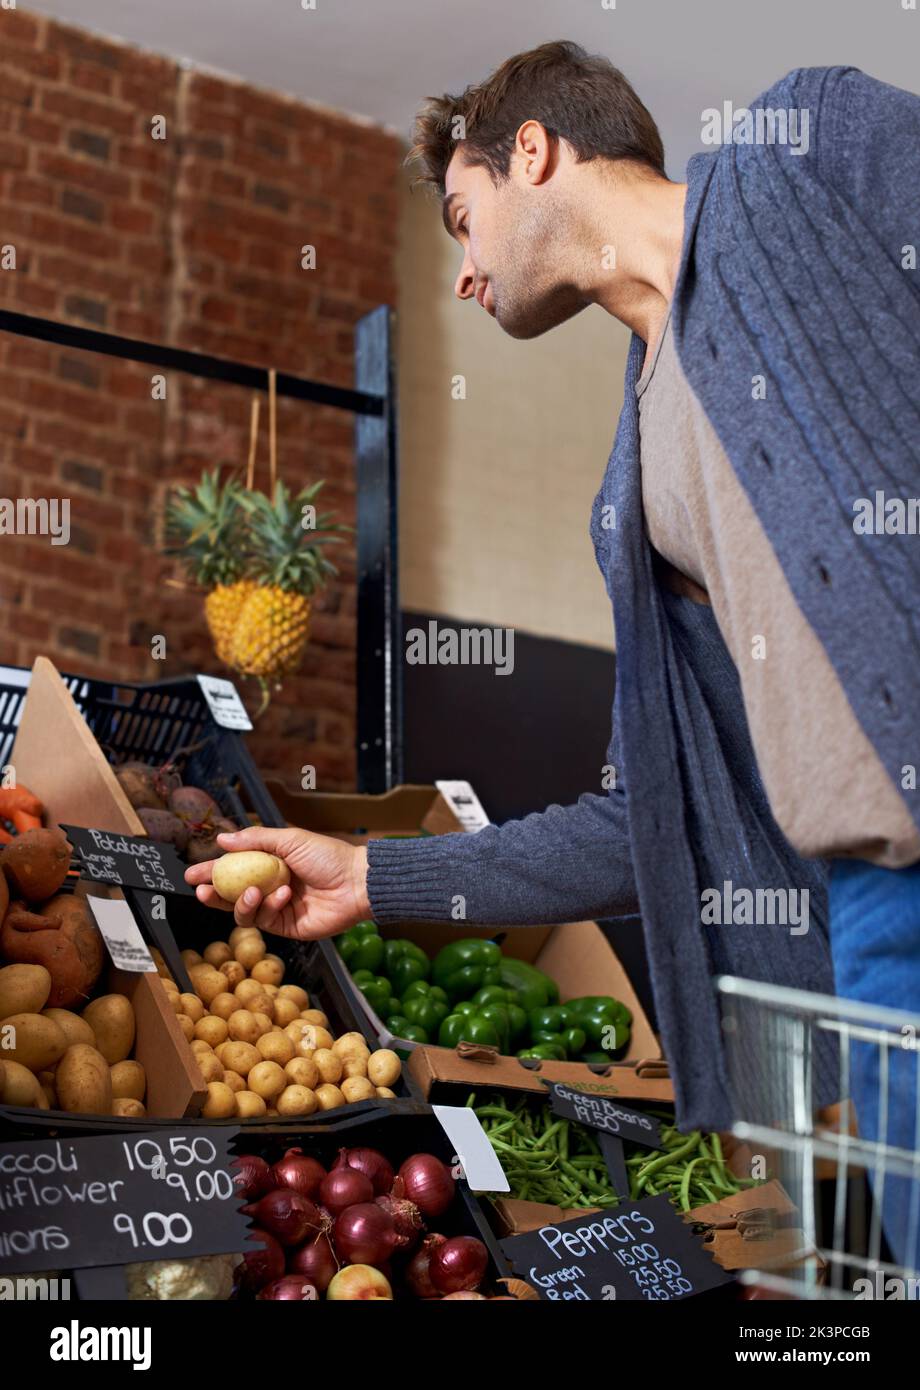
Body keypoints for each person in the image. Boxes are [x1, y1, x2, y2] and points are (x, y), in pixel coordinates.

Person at [188, 43, 920, 1266]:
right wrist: (374, 877)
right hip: (875, 918)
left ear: (531, 151)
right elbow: (646, 819)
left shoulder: (800, 146)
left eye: (464, 220)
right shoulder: (632, 498)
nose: (464, 273)